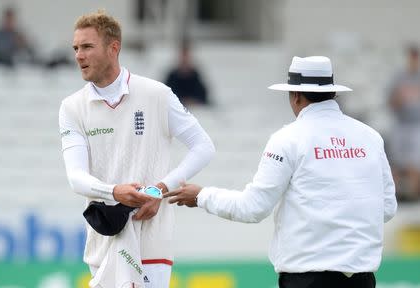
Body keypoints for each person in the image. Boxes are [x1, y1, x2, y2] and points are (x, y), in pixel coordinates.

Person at [165, 56, 397, 288]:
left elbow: (253, 208)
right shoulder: (370, 137)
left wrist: (201, 196)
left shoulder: (288, 139)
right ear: (332, 93)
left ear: (296, 96)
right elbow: (386, 208)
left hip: (307, 279)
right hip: (362, 279)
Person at [59, 10, 215, 288]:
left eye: (87, 47)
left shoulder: (157, 94)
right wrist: (114, 191)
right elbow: (76, 178)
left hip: (151, 239)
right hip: (105, 239)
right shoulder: (72, 107)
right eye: (75, 48)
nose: (78, 56)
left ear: (113, 47)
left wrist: (159, 190)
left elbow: (203, 147)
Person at [387, 44, 420, 201]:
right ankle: (397, 195)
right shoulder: (399, 77)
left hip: (417, 125)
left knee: (415, 161)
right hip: (401, 123)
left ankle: (414, 194)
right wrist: (399, 100)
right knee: (397, 160)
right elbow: (389, 100)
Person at [164, 40, 209, 106]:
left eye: (186, 55)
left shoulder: (195, 75)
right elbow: (166, 95)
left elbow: (203, 97)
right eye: (182, 55)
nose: (184, 58)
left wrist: (192, 101)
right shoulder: (172, 75)